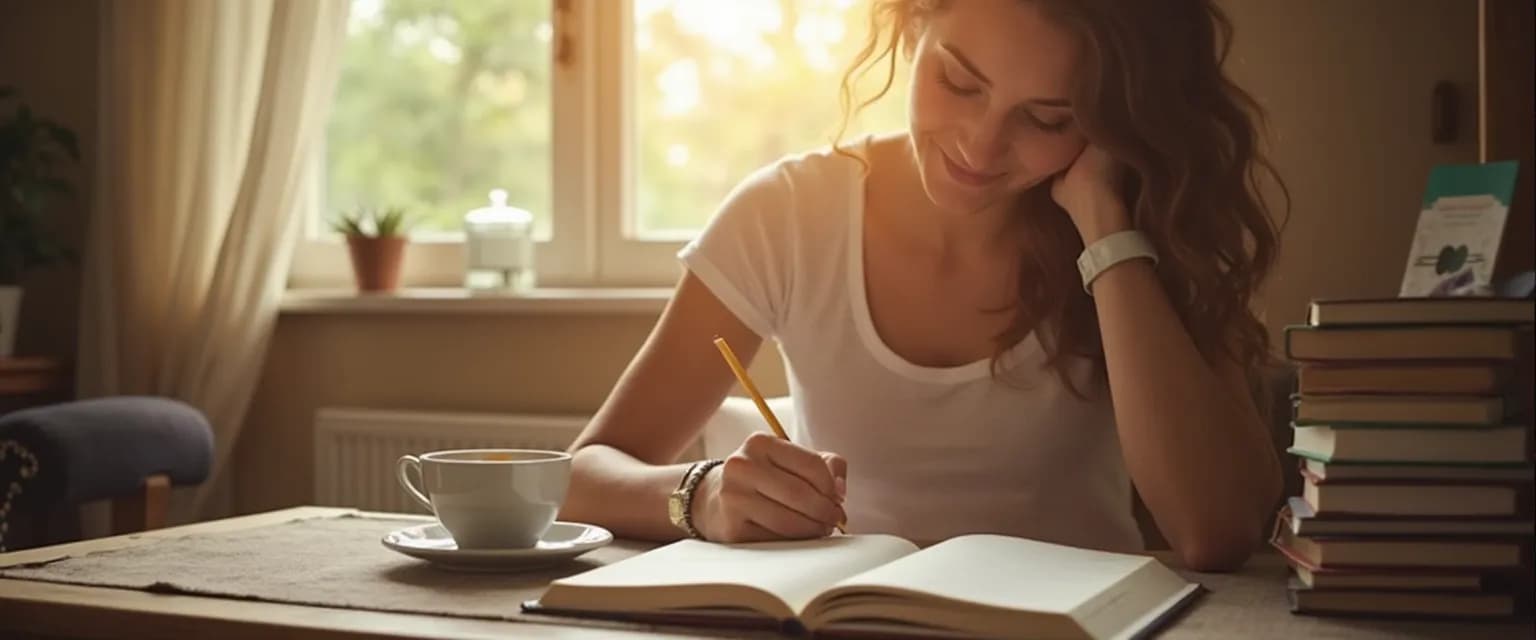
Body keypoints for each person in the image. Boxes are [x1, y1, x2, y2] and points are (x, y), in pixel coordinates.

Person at [560, 0, 1285, 572]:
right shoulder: (786, 214)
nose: (980, 146)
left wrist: (1107, 232)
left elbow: (1213, 533)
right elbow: (580, 476)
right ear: (912, 24)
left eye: (1048, 117)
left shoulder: (1142, 230)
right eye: (960, 83)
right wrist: (702, 494)